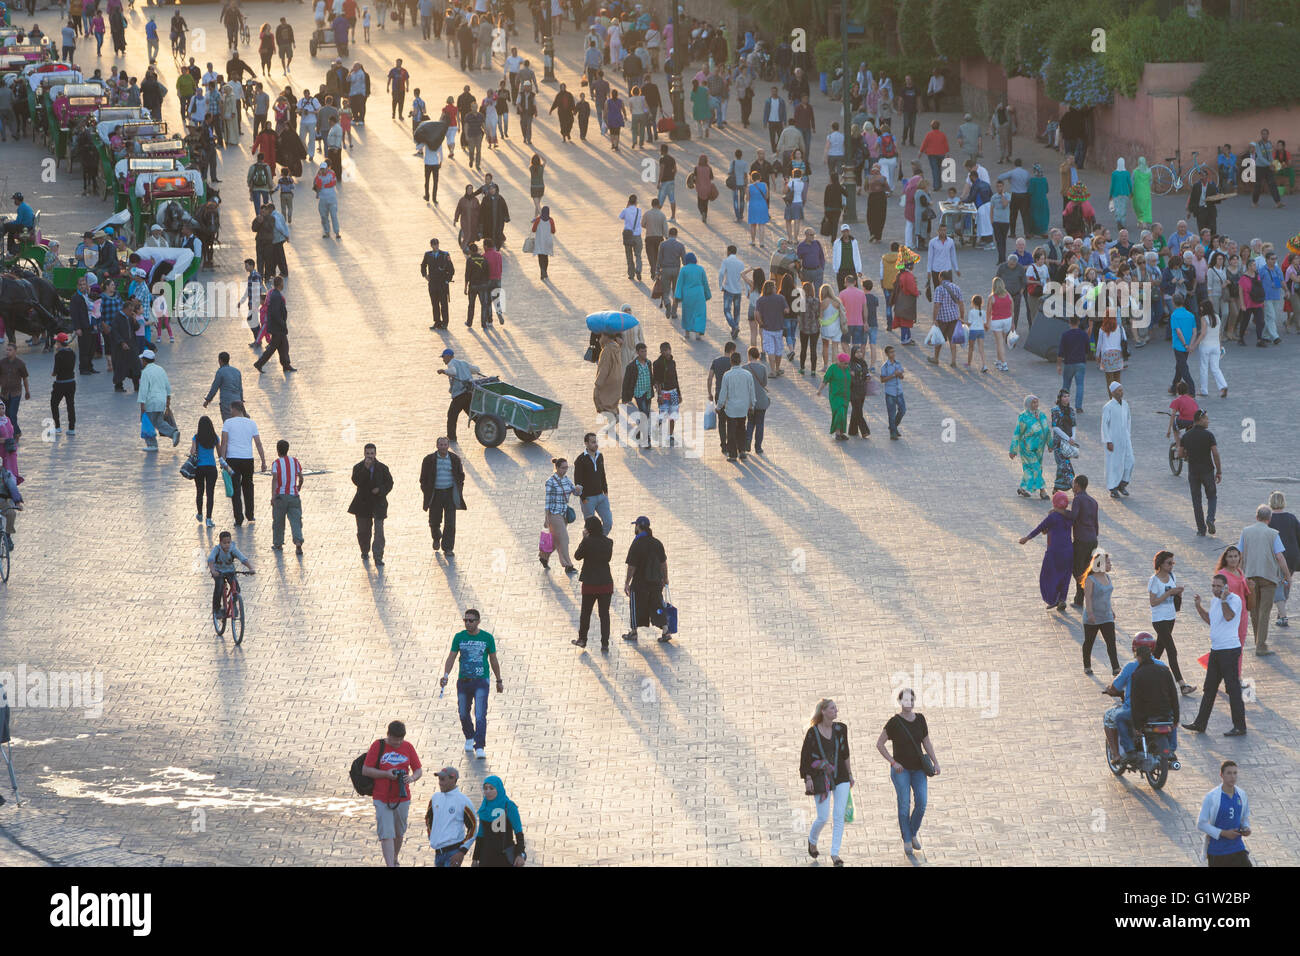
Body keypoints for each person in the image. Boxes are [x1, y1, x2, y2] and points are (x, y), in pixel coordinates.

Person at [1182, 577, 1248, 738]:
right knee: (1209, 688)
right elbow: (1211, 621)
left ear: (1226, 587)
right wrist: (1199, 607)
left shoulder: (1234, 599)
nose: (1215, 589)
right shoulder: (1214, 601)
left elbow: (1228, 617)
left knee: (1233, 689)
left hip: (1230, 651)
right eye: (1213, 586)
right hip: (1216, 651)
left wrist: (1224, 599)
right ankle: (1200, 723)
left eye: (1218, 586)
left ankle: (1240, 726)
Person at [877, 688, 938, 858]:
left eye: (911, 700)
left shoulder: (920, 719)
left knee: (922, 803)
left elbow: (926, 742)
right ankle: (907, 840)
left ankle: (911, 833)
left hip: (919, 769)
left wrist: (936, 761)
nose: (908, 703)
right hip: (901, 770)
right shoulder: (894, 722)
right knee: (904, 805)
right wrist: (893, 762)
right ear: (899, 702)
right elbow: (880, 744)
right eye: (905, 700)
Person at [438, 609, 503, 759]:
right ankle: (469, 735)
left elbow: (493, 659)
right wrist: (445, 676)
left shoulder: (487, 638)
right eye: (465, 620)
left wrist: (499, 680)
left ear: (478, 621)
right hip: (464, 681)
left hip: (481, 681)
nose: (468, 623)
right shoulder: (459, 637)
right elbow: (452, 657)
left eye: (471, 620)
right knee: (462, 712)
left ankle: (479, 746)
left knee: (480, 714)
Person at [360, 720, 423, 867]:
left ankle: (394, 858)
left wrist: (412, 778)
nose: (398, 743)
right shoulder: (378, 746)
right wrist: (386, 774)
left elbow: (418, 769)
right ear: (388, 735)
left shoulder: (408, 747)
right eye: (395, 741)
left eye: (400, 740)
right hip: (382, 798)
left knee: (399, 833)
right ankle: (390, 864)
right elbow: (366, 770)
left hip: (402, 797)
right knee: (387, 834)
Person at [800, 699, 854, 866]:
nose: (836, 710)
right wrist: (807, 778)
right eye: (832, 708)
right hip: (820, 777)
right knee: (823, 817)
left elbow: (845, 753)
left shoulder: (841, 728)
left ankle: (835, 854)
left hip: (841, 776)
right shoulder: (812, 732)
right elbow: (806, 757)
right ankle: (812, 839)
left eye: (836, 708)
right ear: (823, 711)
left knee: (838, 816)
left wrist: (850, 775)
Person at [1238, 504, 1293, 656]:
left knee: (1254, 611)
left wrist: (1240, 574)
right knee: (1265, 612)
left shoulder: (1246, 532)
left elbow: (1240, 555)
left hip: (1250, 575)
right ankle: (1261, 645)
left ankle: (1258, 640)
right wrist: (1287, 576)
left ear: (1256, 517)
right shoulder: (1273, 534)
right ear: (1269, 519)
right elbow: (1280, 557)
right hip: (1268, 577)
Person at [1149, 550, 1196, 696]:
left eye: (1172, 563)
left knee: (1157, 651)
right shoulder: (1154, 580)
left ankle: (1144, 674)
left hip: (1170, 617)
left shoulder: (1172, 576)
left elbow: (1174, 601)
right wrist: (1169, 593)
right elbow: (1153, 602)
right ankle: (1182, 685)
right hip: (1159, 619)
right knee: (1171, 650)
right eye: (1169, 563)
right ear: (1161, 564)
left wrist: (1178, 593)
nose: (1171, 566)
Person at [1019, 491, 1075, 611]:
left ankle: (1053, 598)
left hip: (1054, 551)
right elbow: (1046, 530)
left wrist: (1026, 538)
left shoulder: (1053, 516)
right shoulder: (1070, 517)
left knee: (1048, 575)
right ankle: (1062, 599)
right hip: (1068, 551)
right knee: (1065, 576)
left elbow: (1039, 528)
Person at [623, 515, 670, 643]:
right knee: (658, 605)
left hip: (639, 583)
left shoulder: (636, 544)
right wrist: (665, 578)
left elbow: (632, 566)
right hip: (655, 582)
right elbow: (663, 563)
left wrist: (627, 582)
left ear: (638, 527)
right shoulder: (657, 543)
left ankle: (634, 632)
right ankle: (665, 629)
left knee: (635, 605)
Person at [571, 516, 614, 651]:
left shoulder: (587, 542)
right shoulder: (608, 542)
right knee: (604, 614)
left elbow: (577, 556)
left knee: (586, 613)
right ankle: (605, 643)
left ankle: (582, 639)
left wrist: (584, 539)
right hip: (606, 583)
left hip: (590, 583)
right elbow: (608, 558)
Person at [1197, 762, 1253, 867]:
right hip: (1218, 852)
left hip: (1237, 848)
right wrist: (1223, 833)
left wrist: (1246, 828)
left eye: (1235, 773)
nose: (1233, 777)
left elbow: (1244, 818)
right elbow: (1201, 823)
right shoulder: (1211, 797)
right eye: (1229, 773)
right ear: (1221, 775)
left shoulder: (1242, 795)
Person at [418, 436, 466, 557]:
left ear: (448, 446)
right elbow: (423, 478)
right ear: (437, 446)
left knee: (450, 522)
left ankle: (448, 548)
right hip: (435, 494)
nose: (443, 447)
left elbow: (460, 475)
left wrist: (458, 488)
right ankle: (436, 537)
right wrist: (426, 490)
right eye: (441, 445)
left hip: (449, 493)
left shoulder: (454, 459)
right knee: (434, 521)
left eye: (445, 445)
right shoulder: (429, 460)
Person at [1178, 410, 1221, 537]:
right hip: (1207, 471)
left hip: (1193, 472)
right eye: (1206, 419)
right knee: (1212, 496)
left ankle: (1201, 529)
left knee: (1196, 501)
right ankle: (1210, 518)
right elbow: (1215, 453)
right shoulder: (1209, 435)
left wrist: (1188, 454)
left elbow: (1180, 454)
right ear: (1200, 419)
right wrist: (1219, 471)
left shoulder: (1186, 436)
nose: (1208, 421)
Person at [348, 443, 393, 565]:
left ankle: (378, 556)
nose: (370, 456)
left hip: (378, 504)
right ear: (364, 454)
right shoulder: (358, 467)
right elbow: (357, 481)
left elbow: (389, 483)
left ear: (375, 453)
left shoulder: (383, 468)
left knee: (379, 532)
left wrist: (380, 490)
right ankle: (364, 550)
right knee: (363, 531)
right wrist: (365, 469)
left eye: (372, 453)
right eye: (367, 453)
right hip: (362, 504)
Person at [424, 766, 478, 868]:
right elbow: (428, 819)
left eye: (443, 779)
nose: (440, 782)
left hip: (453, 853)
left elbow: (473, 827)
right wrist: (432, 836)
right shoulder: (435, 798)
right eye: (439, 779)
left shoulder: (463, 801)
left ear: (453, 779)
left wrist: (462, 851)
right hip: (438, 853)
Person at [472, 776, 526, 867]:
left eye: (491, 788)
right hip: (486, 857)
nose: (488, 792)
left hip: (504, 857)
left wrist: (520, 854)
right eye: (485, 788)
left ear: (499, 789)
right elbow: (481, 835)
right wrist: (475, 858)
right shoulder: (484, 807)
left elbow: (519, 832)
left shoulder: (508, 806)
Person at [1081, 550, 1120, 675]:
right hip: (1093, 617)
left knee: (1111, 642)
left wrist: (1111, 610)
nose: (1110, 565)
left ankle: (1116, 668)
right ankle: (1087, 665)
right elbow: (1087, 598)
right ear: (1100, 564)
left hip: (1106, 615)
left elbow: (1107, 597)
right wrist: (1090, 613)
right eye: (1108, 563)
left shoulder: (1107, 577)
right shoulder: (1090, 579)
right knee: (1089, 642)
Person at [542, 457, 581, 572]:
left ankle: (544, 557)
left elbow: (574, 491)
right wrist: (547, 518)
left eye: (566, 468)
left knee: (556, 539)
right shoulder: (550, 481)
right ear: (557, 468)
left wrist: (578, 490)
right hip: (554, 514)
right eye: (563, 468)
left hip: (564, 513)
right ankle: (568, 564)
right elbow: (547, 501)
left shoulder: (566, 479)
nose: (565, 470)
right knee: (564, 539)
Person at [1268, 491, 1300, 629]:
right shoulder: (1291, 518)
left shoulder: (1268, 519)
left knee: (1277, 583)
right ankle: (1282, 612)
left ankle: (1282, 615)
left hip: (1276, 555)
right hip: (1292, 556)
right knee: (1286, 581)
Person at [1009, 395, 1050, 500]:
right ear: (1028, 404)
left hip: (1039, 448)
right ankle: (1042, 490)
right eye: (1033, 402)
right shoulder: (1023, 417)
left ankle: (1022, 488)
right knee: (1036, 467)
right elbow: (1017, 433)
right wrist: (1013, 450)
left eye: (1037, 402)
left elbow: (1047, 430)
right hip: (1027, 448)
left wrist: (1050, 444)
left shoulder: (1042, 415)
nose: (1036, 404)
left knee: (1032, 468)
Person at [717, 351, 756, 461]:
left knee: (731, 431)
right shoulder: (747, 375)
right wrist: (752, 405)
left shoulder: (727, 375)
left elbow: (723, 393)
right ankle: (742, 450)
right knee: (741, 428)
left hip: (731, 409)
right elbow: (751, 391)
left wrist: (719, 406)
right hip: (743, 408)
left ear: (731, 362)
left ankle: (733, 454)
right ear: (740, 361)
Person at [268, 439, 304, 555]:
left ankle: (278, 544)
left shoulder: (276, 463)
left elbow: (275, 479)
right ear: (287, 449)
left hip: (280, 497)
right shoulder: (295, 461)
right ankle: (298, 541)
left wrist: (273, 496)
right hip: (294, 496)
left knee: (278, 521)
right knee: (296, 521)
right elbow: (301, 477)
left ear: (277, 450)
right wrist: (298, 486)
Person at [207, 531, 254, 620]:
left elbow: (242, 558)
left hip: (230, 571)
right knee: (219, 587)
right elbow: (211, 559)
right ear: (220, 543)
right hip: (218, 572)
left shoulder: (233, 549)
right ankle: (216, 609)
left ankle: (233, 603)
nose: (227, 545)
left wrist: (250, 568)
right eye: (224, 543)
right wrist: (213, 571)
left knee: (237, 588)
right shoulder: (217, 549)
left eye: (228, 542)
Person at [138, 351, 179, 452]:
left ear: (144, 361)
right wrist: (168, 399)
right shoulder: (160, 369)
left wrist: (142, 405)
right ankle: (173, 432)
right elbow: (167, 385)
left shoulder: (145, 372)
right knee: (159, 422)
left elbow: (143, 389)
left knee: (149, 423)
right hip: (161, 401)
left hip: (151, 402)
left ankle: (152, 444)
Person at [573, 432, 611, 534]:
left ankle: (599, 542)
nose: (596, 444)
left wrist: (605, 491)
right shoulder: (580, 460)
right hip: (588, 499)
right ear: (586, 443)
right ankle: (588, 544)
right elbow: (578, 481)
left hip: (601, 496)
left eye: (596, 442)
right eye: (593, 442)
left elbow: (603, 474)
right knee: (590, 528)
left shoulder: (600, 456)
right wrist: (583, 498)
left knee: (608, 522)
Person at [253, 277, 294, 373]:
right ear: (279, 284)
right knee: (273, 348)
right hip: (278, 328)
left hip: (277, 327)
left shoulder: (274, 294)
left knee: (283, 346)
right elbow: (275, 313)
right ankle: (259, 363)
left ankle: (286, 365)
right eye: (282, 283)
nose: (283, 285)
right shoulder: (276, 296)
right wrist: (283, 324)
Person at [1101, 382, 1134, 499]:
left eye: (1122, 390)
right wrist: (1108, 441)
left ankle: (1122, 484)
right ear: (1113, 392)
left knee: (1130, 461)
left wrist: (1128, 435)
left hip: (1125, 438)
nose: (1121, 392)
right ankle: (1112, 487)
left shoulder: (1125, 405)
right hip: (1113, 441)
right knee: (1113, 464)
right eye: (1119, 390)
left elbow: (1128, 420)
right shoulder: (1108, 406)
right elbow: (1104, 425)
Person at [439, 348, 480, 442]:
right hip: (469, 393)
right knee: (472, 414)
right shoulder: (463, 363)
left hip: (459, 395)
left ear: (449, 356)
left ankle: (451, 437)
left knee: (452, 415)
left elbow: (453, 372)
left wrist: (443, 371)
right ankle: (483, 425)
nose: (443, 359)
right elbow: (476, 369)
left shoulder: (451, 363)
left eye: (444, 357)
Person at [188, 416, 221, 528]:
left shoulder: (196, 438)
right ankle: (209, 519)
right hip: (211, 467)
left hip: (199, 468)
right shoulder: (215, 437)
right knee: (210, 493)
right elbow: (220, 453)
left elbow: (192, 452)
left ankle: (200, 514)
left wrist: (192, 452)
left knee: (200, 491)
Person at [816, 351, 852, 442]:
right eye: (845, 363)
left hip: (845, 395)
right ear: (839, 362)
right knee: (839, 412)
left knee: (843, 413)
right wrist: (820, 390)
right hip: (835, 396)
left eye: (848, 363)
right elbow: (825, 380)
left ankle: (842, 432)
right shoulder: (832, 368)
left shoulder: (847, 368)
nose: (847, 365)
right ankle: (837, 432)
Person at [675, 252, 711, 340]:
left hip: (688, 294)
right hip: (699, 294)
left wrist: (677, 296)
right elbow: (705, 283)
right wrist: (707, 295)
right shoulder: (700, 269)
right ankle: (698, 333)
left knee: (687, 313)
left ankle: (687, 333)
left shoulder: (683, 269)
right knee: (700, 313)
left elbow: (679, 283)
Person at [1049, 389, 1079, 492]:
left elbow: (1074, 425)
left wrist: (1073, 438)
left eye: (1068, 396)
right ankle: (1075, 487)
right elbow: (1055, 427)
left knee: (1062, 465)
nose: (1066, 398)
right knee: (1065, 466)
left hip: (1068, 444)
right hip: (1059, 444)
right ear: (1060, 398)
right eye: (1064, 396)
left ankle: (1057, 486)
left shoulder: (1071, 410)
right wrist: (1068, 438)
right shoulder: (1055, 410)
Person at [880, 345, 906, 439]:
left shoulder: (898, 364)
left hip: (899, 391)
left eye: (894, 352)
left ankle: (893, 426)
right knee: (891, 413)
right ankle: (893, 433)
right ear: (887, 354)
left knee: (903, 410)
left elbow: (902, 377)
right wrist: (893, 375)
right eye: (891, 352)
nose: (893, 354)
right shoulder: (885, 366)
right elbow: (882, 380)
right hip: (890, 392)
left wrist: (899, 375)